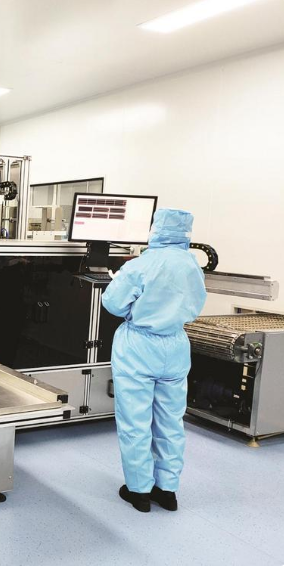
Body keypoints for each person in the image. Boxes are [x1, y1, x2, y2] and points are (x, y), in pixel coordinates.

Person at [102, 208, 207, 513]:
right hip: (175, 345)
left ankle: (139, 491)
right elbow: (195, 305)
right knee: (171, 421)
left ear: (156, 230)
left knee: (135, 421)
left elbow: (113, 303)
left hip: (139, 346)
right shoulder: (192, 265)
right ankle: (168, 490)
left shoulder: (141, 264)